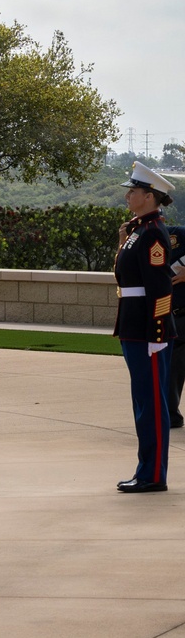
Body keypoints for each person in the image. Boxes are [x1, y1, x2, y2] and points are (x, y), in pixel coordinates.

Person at [113, 161, 176, 493]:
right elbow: (126, 276)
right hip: (133, 325)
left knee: (151, 404)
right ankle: (146, 470)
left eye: (134, 190)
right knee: (143, 403)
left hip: (147, 331)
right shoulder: (138, 230)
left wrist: (156, 335)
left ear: (150, 196)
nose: (128, 195)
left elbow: (161, 288)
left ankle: (153, 475)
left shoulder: (152, 234)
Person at [166, 224, 185, 429]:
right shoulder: (136, 240)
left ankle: (171, 415)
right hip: (165, 315)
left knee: (173, 368)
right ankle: (170, 414)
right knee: (171, 369)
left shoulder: (178, 235)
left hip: (181, 313)